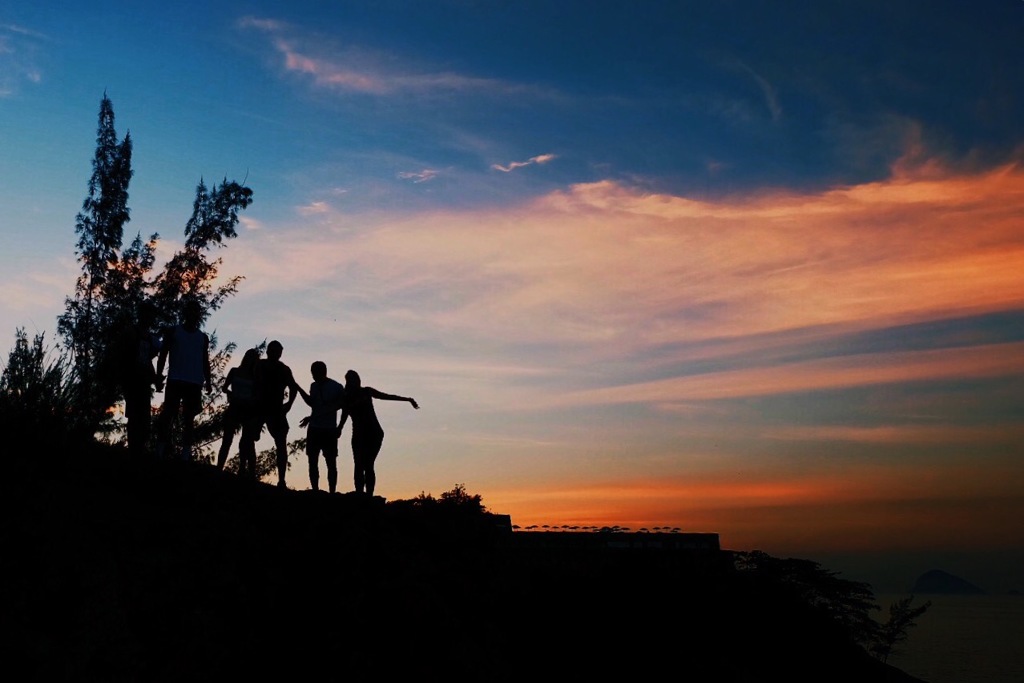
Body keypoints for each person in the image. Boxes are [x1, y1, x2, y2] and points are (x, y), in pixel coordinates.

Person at [338, 369, 418, 497]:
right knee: (358, 464)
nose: (352, 383)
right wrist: (339, 428)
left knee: (368, 464)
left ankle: (368, 495)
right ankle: (360, 494)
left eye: (353, 380)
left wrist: (407, 399)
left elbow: (386, 396)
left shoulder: (366, 391)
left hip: (373, 433)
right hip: (358, 434)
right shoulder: (346, 398)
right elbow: (344, 414)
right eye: (349, 380)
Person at [154, 299, 213, 461]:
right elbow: (163, 354)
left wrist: (208, 381)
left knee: (189, 419)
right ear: (186, 313)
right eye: (191, 310)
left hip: (194, 382)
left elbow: (204, 360)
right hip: (176, 379)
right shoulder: (174, 331)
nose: (194, 314)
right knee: (168, 415)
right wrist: (158, 376)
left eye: (196, 311)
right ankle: (160, 449)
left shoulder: (202, 338)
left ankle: (185, 454)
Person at [246, 340, 300, 488]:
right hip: (260, 407)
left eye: (278, 351)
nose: (276, 354)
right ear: (269, 351)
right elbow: (252, 383)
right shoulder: (261, 366)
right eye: (274, 351)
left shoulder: (283, 369)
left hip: (274, 409)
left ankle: (281, 479)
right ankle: (250, 473)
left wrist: (288, 405)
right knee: (249, 437)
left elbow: (293, 387)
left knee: (280, 444)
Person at [114, 300, 162, 459]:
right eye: (147, 313)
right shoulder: (131, 332)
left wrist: (154, 377)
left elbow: (148, 359)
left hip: (143, 381)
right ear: (141, 314)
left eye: (151, 314)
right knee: (135, 417)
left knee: (143, 418)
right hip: (132, 380)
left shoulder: (150, 338)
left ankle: (138, 450)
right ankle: (134, 450)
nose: (150, 317)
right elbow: (122, 356)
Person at [296, 361, 346, 493]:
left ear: (323, 372)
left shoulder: (336, 387)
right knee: (312, 461)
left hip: (329, 429)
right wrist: (299, 389)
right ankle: (315, 490)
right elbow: (312, 404)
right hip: (314, 428)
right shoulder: (313, 386)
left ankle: (332, 491)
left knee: (331, 462)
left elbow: (343, 406)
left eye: (315, 373)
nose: (313, 376)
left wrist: (339, 427)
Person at [216, 347, 260, 472]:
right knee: (227, 439)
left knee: (246, 441)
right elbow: (224, 387)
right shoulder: (234, 371)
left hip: (247, 408)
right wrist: (230, 393)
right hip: (235, 406)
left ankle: (244, 468)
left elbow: (257, 394)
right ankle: (220, 466)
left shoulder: (255, 377)